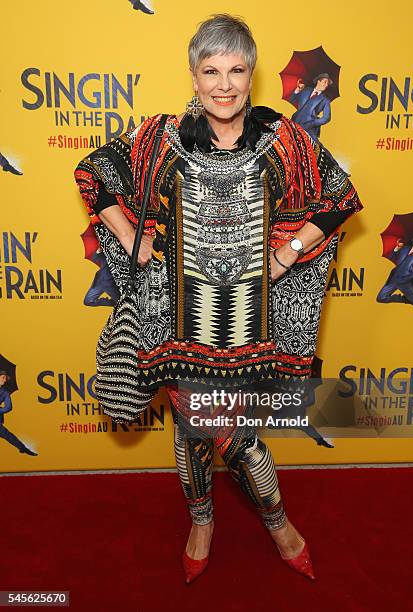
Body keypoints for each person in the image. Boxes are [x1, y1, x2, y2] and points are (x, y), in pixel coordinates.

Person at [74, 14, 363, 583]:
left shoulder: (284, 139)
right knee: (195, 427)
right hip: (177, 315)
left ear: (251, 74)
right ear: (193, 75)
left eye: (236, 70)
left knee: (227, 432)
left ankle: (251, 522)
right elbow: (94, 173)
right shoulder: (160, 137)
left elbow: (340, 197)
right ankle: (226, 522)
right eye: (211, 71)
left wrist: (287, 255)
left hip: (253, 325)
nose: (224, 84)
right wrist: (132, 239)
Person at [376, 233, 413, 319]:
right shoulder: (405, 248)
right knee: (381, 298)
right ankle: (405, 299)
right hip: (394, 278)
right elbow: (392, 257)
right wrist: (396, 249)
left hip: (406, 281)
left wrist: (412, 276)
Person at [0, 370, 37, 455]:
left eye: (5, 378)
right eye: (3, 378)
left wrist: (0, 410)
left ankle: (23, 448)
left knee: (8, 435)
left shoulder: (5, 393)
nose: (5, 380)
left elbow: (8, 407)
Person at [289, 73, 332, 141]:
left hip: (309, 128)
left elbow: (326, 118)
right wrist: (298, 90)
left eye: (328, 84)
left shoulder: (325, 100)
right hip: (295, 122)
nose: (326, 85)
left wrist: (313, 123)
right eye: (325, 82)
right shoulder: (306, 90)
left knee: (315, 147)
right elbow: (292, 100)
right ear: (318, 81)